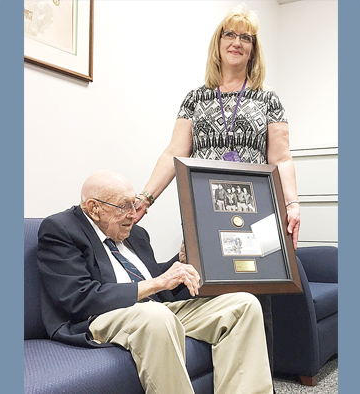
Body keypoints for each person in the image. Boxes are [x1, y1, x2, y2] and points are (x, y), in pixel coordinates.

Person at [132, 5, 300, 372]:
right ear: (218, 42)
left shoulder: (268, 100)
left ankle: (257, 380)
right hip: (205, 213)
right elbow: (174, 152)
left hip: (257, 215)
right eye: (230, 34)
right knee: (206, 292)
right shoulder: (196, 98)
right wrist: (146, 197)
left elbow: (282, 158)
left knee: (258, 297)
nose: (237, 43)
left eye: (246, 37)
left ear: (253, 49)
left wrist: (293, 204)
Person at [37, 170, 274, 394]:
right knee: (155, 315)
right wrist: (159, 283)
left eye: (134, 203)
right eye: (124, 205)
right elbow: (79, 298)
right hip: (98, 316)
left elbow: (155, 284)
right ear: (94, 208)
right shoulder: (61, 229)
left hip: (154, 310)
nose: (133, 213)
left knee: (243, 305)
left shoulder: (135, 233)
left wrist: (178, 263)